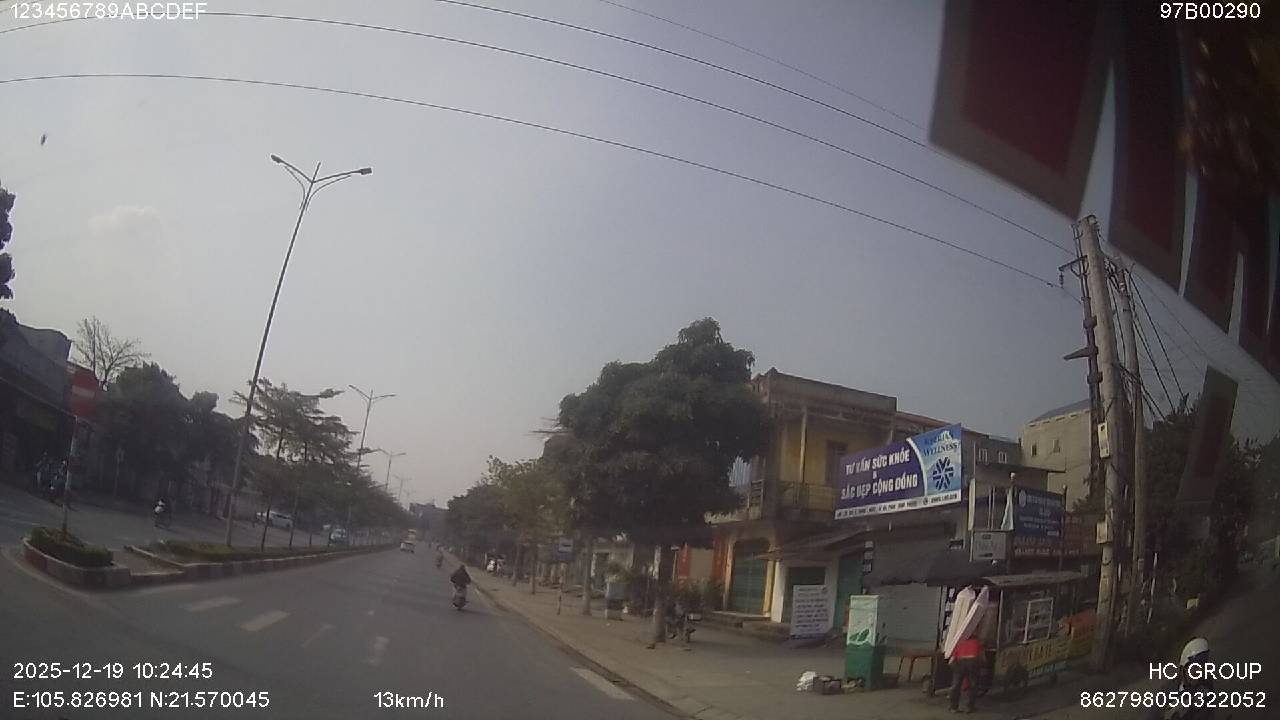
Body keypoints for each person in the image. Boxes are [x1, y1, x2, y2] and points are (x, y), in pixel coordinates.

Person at [948, 633, 983, 713]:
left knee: (956, 685)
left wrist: (954, 668)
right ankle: (969, 707)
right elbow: (982, 657)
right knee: (973, 685)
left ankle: (953, 707)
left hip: (960, 662)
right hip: (973, 662)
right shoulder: (977, 642)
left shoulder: (959, 642)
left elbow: (951, 660)